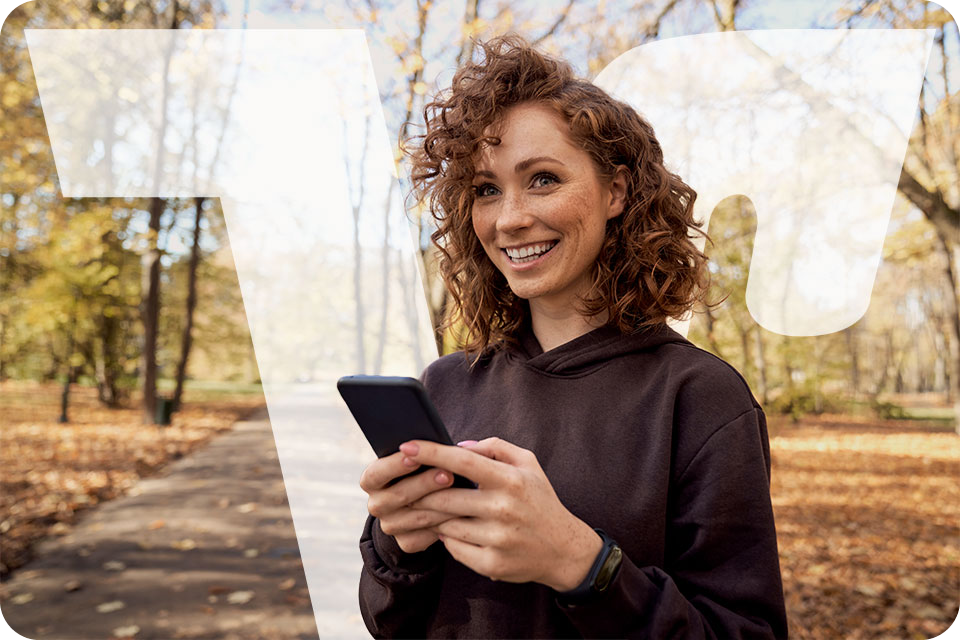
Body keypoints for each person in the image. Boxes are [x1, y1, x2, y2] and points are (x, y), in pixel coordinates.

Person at [357, 34, 788, 639]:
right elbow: (386, 621)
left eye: (542, 180)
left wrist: (584, 566)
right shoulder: (447, 383)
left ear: (615, 191)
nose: (508, 218)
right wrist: (397, 546)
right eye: (486, 189)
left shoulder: (700, 397)